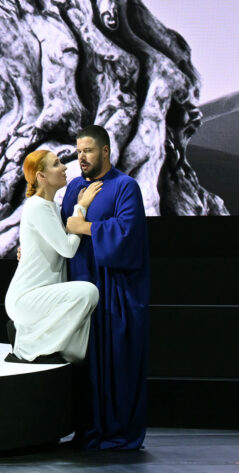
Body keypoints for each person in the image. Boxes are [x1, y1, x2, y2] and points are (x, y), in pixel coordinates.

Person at [61, 125, 150, 450]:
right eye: (78, 151)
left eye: (88, 151)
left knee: (116, 361)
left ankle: (117, 432)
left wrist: (85, 226)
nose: (81, 157)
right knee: (84, 364)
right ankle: (86, 430)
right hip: (80, 288)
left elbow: (128, 234)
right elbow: (60, 232)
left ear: (105, 151)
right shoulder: (74, 188)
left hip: (115, 293)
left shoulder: (125, 186)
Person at [4, 150, 100, 364]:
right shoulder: (37, 206)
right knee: (88, 292)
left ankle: (26, 337)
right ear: (41, 176)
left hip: (41, 295)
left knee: (74, 351)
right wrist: (81, 209)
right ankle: (27, 348)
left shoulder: (52, 207)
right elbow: (68, 249)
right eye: (56, 164)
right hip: (26, 298)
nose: (64, 167)